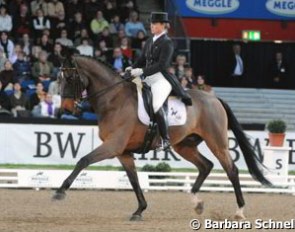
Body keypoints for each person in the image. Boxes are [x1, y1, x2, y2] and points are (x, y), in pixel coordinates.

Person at [128, 12, 192, 151]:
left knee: (157, 104)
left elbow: (162, 65)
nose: (151, 26)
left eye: (154, 24)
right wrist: (131, 68)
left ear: (163, 26)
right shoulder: (150, 40)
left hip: (161, 78)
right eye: (151, 24)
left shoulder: (168, 42)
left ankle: (166, 139)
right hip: (148, 77)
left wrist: (142, 71)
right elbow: (141, 60)